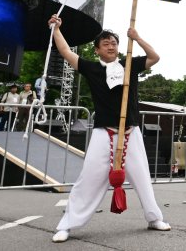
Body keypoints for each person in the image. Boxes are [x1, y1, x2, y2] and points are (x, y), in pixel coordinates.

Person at [48, 14, 170, 243]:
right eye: (106, 44)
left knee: (142, 177)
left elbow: (155, 57)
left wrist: (137, 37)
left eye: (114, 43)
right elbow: (66, 52)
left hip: (131, 132)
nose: (111, 46)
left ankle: (154, 218)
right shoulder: (92, 68)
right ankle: (67, 225)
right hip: (104, 132)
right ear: (97, 50)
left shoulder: (129, 64)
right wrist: (56, 29)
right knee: (89, 179)